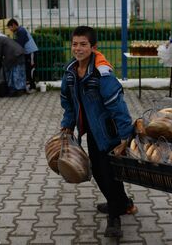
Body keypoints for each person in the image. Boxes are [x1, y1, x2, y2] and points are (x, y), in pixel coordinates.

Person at [60, 26, 136, 238]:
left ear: (93, 47)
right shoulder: (70, 72)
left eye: (83, 44)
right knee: (100, 172)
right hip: (91, 132)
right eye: (75, 44)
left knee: (109, 175)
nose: (78, 48)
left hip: (109, 133)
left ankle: (115, 217)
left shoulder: (101, 73)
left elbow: (118, 106)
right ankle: (124, 203)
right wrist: (68, 123)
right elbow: (68, 102)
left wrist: (125, 136)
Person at [0, 30, 26, 96]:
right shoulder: (3, 38)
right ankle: (20, 89)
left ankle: (13, 90)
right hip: (20, 53)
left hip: (14, 55)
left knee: (11, 71)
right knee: (19, 72)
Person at [6, 18, 38, 92]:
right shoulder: (19, 31)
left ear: (14, 25)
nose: (10, 30)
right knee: (28, 69)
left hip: (31, 52)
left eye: (10, 27)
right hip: (28, 53)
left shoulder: (21, 31)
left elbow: (20, 44)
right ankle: (29, 86)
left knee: (31, 69)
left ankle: (33, 87)